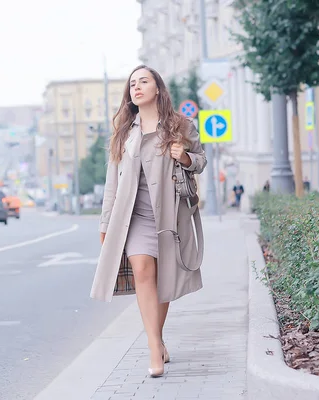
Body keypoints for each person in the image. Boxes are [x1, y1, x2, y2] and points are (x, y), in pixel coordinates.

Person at [90, 65, 207, 378]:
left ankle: (158, 338)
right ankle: (154, 348)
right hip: (134, 216)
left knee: (164, 282)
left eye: (144, 81)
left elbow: (200, 161)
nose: (137, 87)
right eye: (132, 84)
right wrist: (105, 225)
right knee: (142, 269)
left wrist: (184, 156)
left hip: (170, 214)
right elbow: (111, 182)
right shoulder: (125, 133)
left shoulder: (180, 125)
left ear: (157, 88)